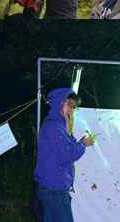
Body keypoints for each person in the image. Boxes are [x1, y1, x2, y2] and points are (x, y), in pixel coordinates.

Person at [34, 88, 96, 222]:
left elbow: (68, 149)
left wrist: (69, 131)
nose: (71, 110)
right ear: (59, 103)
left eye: (74, 107)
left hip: (54, 189)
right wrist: (83, 144)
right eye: (69, 105)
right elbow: (69, 154)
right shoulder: (53, 126)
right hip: (54, 191)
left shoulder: (59, 126)